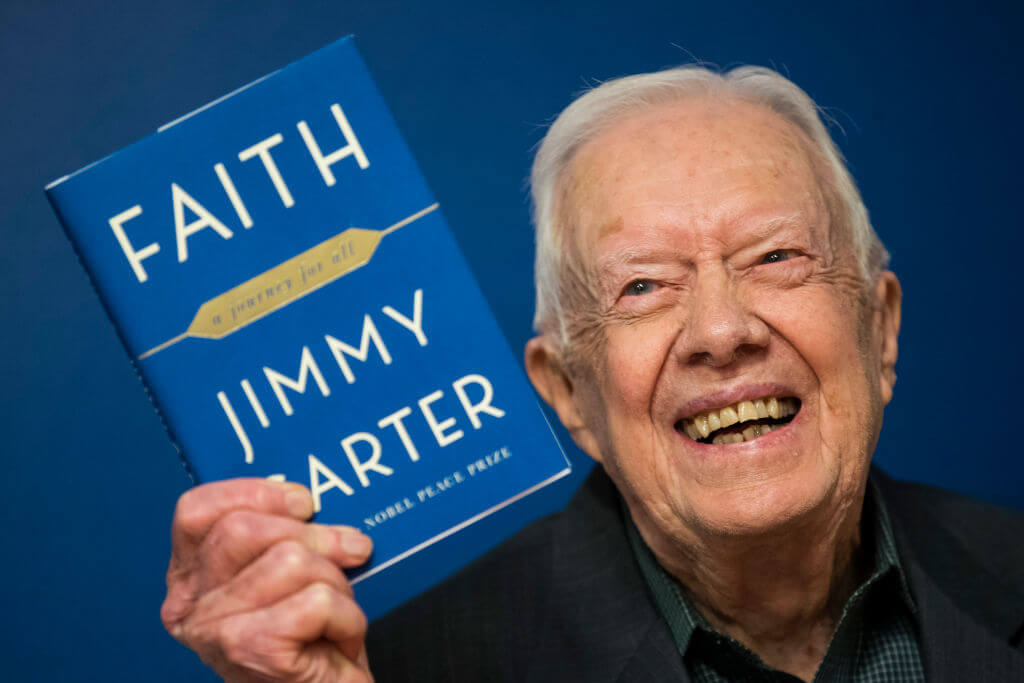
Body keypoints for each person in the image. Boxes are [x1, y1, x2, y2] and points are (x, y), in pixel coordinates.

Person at [160, 64, 1024, 682]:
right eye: (642, 285)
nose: (720, 330)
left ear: (880, 329)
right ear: (567, 392)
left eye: (776, 256)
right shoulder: (401, 668)